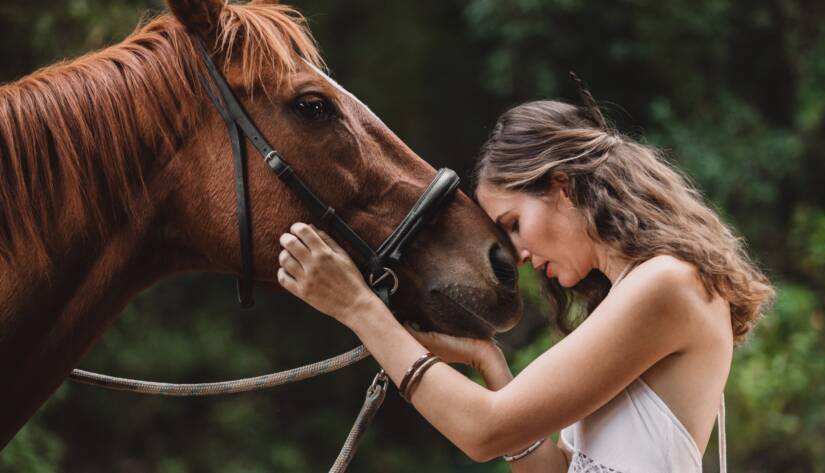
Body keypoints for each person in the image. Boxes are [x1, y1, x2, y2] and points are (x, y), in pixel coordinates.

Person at [275, 79, 775, 472]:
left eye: (514, 225)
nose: (519, 254)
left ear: (562, 187)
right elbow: (556, 470)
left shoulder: (666, 285)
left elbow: (485, 432)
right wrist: (488, 362)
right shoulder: (634, 295)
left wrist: (358, 307)